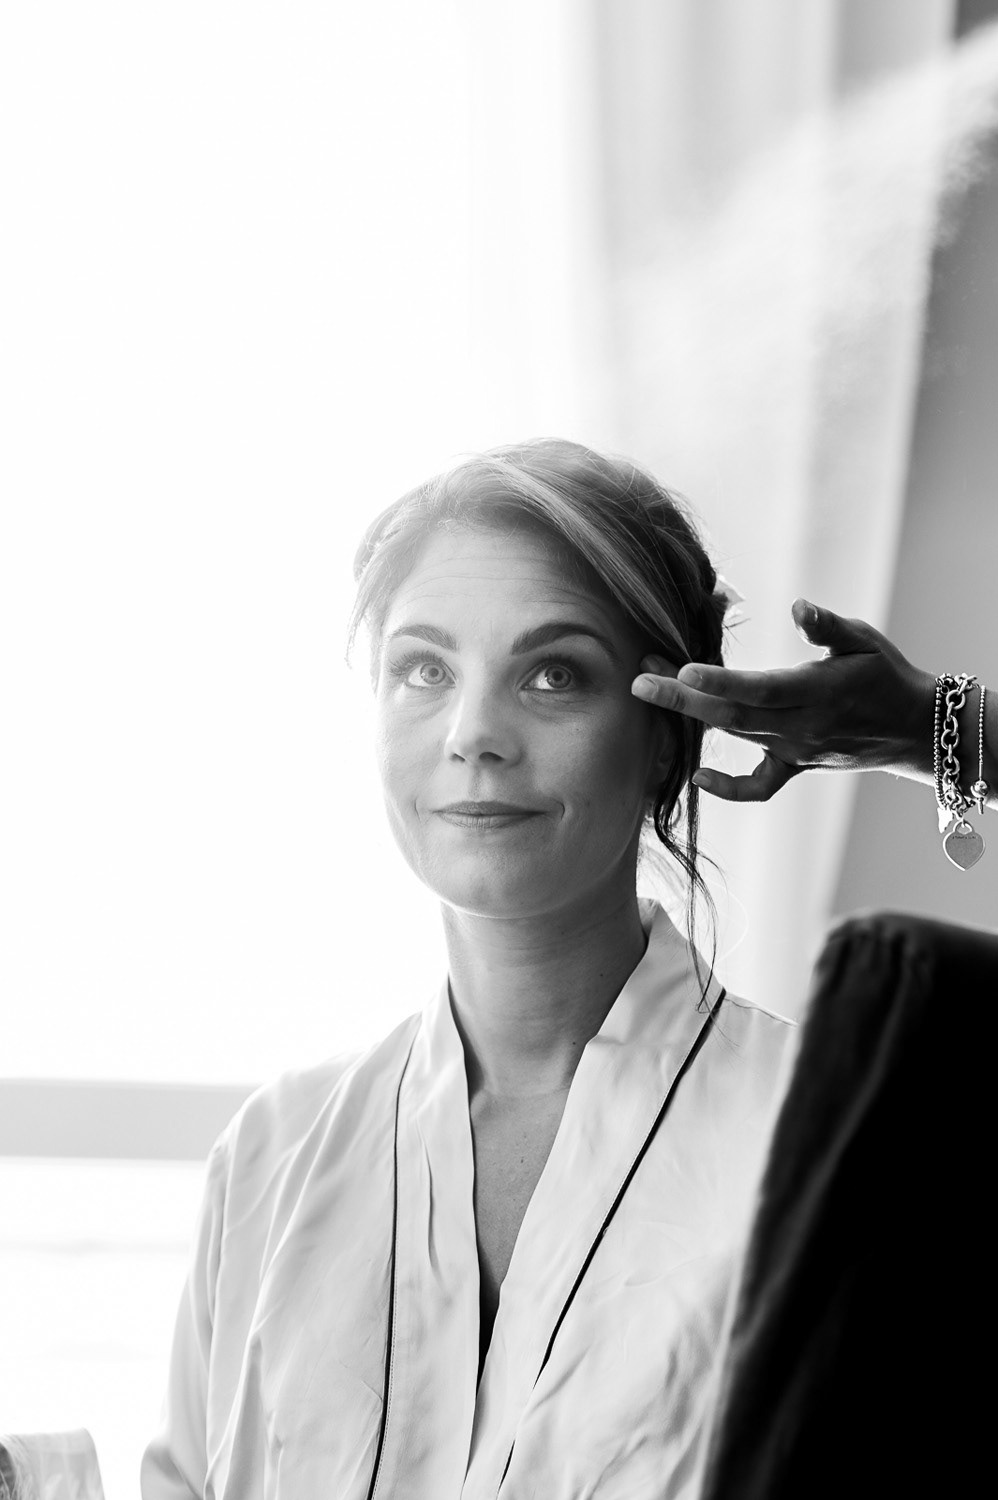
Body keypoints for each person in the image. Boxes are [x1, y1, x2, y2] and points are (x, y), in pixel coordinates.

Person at [139, 438, 994, 1500]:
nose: (473, 734)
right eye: (423, 670)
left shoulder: (829, 1151)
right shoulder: (273, 1154)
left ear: (667, 739)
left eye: (554, 674)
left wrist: (947, 730)